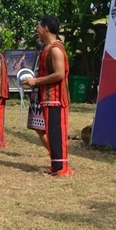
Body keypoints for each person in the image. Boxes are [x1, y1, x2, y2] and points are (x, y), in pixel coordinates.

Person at [21, 15, 73, 176]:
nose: (37, 29)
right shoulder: (47, 48)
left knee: (57, 133)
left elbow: (59, 74)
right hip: (49, 97)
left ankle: (62, 168)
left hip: (56, 98)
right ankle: (57, 166)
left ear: (46, 29)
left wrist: (36, 81)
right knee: (52, 133)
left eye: (39, 27)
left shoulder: (55, 49)